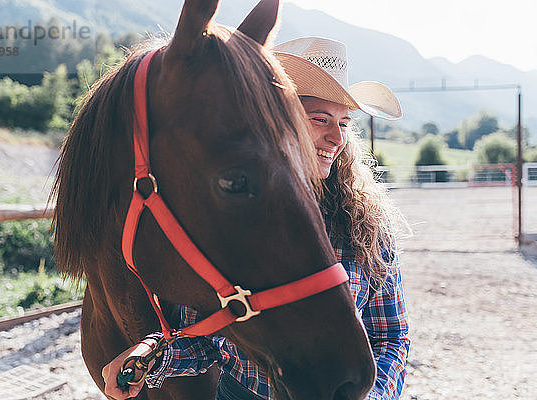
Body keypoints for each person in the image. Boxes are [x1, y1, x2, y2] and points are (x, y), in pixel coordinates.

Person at [102, 36, 410, 400]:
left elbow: (392, 337)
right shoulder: (236, 216)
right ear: (278, 123)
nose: (335, 138)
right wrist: (152, 357)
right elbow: (207, 339)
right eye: (320, 119)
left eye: (343, 124)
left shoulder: (365, 221)